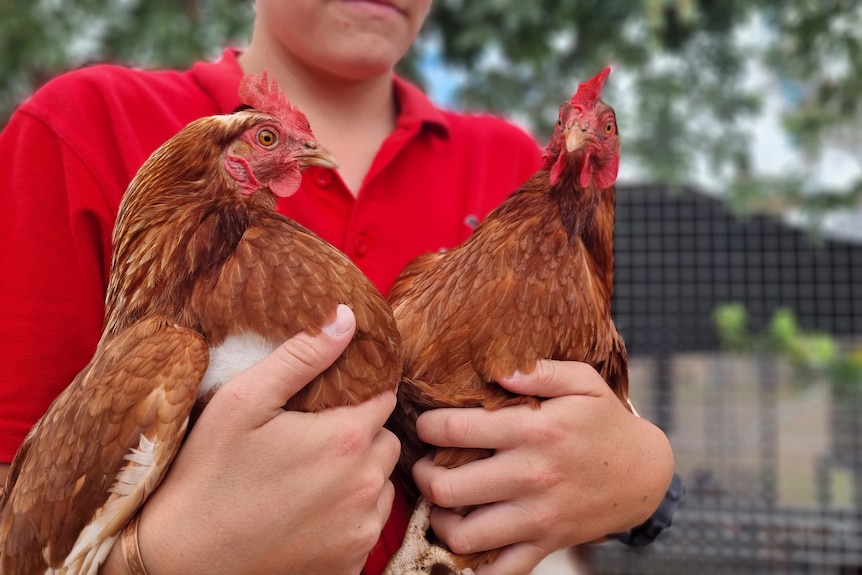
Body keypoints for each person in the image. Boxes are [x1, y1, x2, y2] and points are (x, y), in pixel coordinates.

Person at [0, 1, 675, 574]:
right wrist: (156, 556)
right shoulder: (85, 126)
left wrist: (644, 481)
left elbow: (567, 436)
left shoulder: (511, 165)